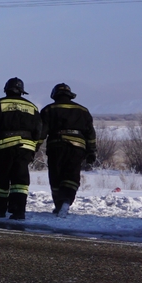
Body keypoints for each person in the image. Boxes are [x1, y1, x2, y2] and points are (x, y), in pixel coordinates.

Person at [0, 77, 43, 220]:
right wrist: (34, 147)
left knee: (3, 179)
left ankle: (1, 209)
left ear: (6, 90)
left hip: (4, 148)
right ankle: (18, 211)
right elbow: (39, 131)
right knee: (20, 180)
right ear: (22, 92)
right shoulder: (32, 107)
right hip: (25, 148)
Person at [40, 83, 97, 216]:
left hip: (56, 147)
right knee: (71, 175)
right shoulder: (83, 111)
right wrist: (91, 150)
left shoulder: (48, 110)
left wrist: (34, 147)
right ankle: (66, 201)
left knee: (56, 176)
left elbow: (42, 132)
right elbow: (90, 134)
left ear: (54, 95)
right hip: (77, 149)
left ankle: (59, 204)